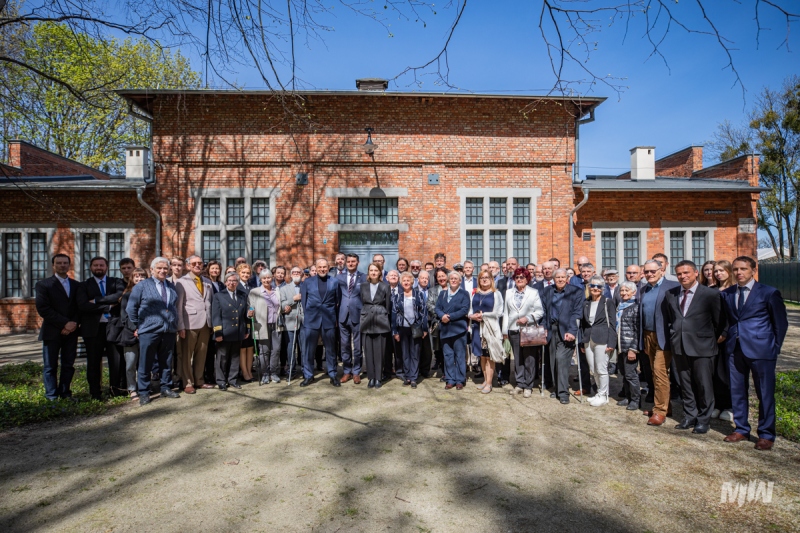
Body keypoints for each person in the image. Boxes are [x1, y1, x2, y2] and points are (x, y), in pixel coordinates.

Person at [721, 256, 788, 451]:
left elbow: (780, 323)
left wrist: (774, 347)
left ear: (753, 270)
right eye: (735, 269)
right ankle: (741, 428)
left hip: (762, 350)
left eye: (743, 269)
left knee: (764, 393)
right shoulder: (727, 294)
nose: (739, 272)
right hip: (735, 349)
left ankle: (766, 434)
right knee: (737, 391)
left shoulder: (768, 292)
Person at [664, 260, 726, 435]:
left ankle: (703, 420)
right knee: (685, 384)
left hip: (702, 347)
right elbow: (671, 319)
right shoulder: (671, 294)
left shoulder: (710, 294)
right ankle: (689, 415)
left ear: (696, 273)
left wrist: (714, 338)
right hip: (679, 345)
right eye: (679, 274)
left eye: (686, 273)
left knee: (704, 384)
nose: (682, 276)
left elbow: (720, 320)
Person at [126, 257, 181, 406]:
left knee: (166, 361)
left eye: (165, 268)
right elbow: (131, 308)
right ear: (151, 270)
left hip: (168, 330)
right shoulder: (142, 286)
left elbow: (173, 306)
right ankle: (144, 391)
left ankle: (166, 387)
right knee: (145, 362)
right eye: (159, 268)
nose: (163, 271)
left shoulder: (171, 286)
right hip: (149, 331)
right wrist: (139, 325)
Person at [76, 256, 126, 399]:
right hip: (92, 329)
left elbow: (119, 296)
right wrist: (108, 307)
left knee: (116, 361)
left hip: (114, 326)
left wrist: (97, 300)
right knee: (93, 361)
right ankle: (95, 393)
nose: (99, 268)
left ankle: (115, 390)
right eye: (96, 265)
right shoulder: (83, 285)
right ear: (91, 267)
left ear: (106, 267)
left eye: (101, 265)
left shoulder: (116, 282)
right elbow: (83, 305)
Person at [638, 259, 679, 425]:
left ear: (662, 270)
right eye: (646, 271)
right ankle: (665, 406)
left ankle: (660, 411)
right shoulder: (644, 289)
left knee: (660, 372)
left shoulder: (672, 287)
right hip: (648, 335)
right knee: (654, 373)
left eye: (653, 271)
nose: (649, 274)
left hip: (664, 336)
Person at [35, 253, 80, 401]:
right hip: (52, 331)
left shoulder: (76, 285)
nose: (62, 265)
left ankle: (65, 393)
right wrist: (64, 323)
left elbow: (79, 307)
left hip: (71, 332)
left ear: (69, 265)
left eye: (65, 263)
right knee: (50, 366)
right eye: (59, 263)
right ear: (53, 265)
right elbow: (43, 308)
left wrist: (73, 323)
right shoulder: (44, 285)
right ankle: (51, 396)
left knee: (68, 364)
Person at [541, 269, 583, 404]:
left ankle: (564, 393)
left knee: (561, 360)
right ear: (553, 279)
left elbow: (577, 313)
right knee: (553, 360)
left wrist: (572, 331)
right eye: (557, 277)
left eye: (562, 277)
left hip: (567, 331)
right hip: (551, 330)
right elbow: (543, 311)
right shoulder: (547, 291)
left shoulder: (576, 292)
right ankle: (557, 388)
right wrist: (543, 328)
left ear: (567, 278)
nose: (560, 279)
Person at [502, 267, 545, 399]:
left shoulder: (533, 292)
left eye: (522, 277)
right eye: (517, 277)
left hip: (528, 330)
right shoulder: (509, 292)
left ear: (527, 279)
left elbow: (540, 311)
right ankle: (519, 383)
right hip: (513, 329)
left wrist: (528, 318)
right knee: (517, 358)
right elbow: (506, 313)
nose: (519, 279)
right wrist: (504, 331)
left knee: (529, 359)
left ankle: (528, 385)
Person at [174, 255, 214, 394]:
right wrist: (180, 326)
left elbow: (209, 303)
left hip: (205, 323)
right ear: (188, 266)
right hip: (189, 324)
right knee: (186, 355)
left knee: (201, 354)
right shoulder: (181, 282)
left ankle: (199, 380)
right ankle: (187, 382)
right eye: (194, 263)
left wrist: (211, 323)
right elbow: (178, 306)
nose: (197, 265)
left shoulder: (207, 282)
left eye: (200, 263)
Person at [300, 258, 341, 387]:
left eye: (324, 267)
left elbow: (337, 301)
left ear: (328, 268)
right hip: (311, 320)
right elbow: (304, 301)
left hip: (329, 319)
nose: (322, 269)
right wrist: (308, 316)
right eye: (320, 267)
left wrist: (335, 318)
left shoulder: (334, 281)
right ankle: (308, 375)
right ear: (316, 268)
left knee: (331, 349)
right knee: (309, 349)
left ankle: (332, 374)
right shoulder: (308, 282)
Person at [580, 276, 617, 407]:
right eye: (593, 286)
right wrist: (582, 342)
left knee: (601, 368)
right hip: (588, 339)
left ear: (602, 288)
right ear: (589, 287)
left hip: (603, 339)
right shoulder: (586, 302)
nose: (595, 288)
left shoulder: (608, 302)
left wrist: (612, 343)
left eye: (599, 286)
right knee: (593, 369)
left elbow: (612, 324)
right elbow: (583, 324)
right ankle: (599, 392)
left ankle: (603, 395)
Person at [211, 271, 251, 390]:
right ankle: (221, 381)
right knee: (222, 358)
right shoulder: (219, 296)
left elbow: (245, 314)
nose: (232, 283)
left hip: (238, 331)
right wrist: (218, 333)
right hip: (225, 332)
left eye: (234, 281)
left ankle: (232, 379)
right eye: (229, 281)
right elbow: (216, 316)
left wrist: (247, 329)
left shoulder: (243, 295)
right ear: (225, 282)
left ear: (237, 283)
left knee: (235, 357)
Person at [469, 270, 504, 394]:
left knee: (489, 357)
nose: (484, 280)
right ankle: (485, 380)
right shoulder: (475, 293)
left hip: (489, 328)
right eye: (482, 278)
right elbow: (470, 310)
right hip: (477, 327)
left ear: (491, 279)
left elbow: (499, 312)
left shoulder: (496, 294)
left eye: (487, 277)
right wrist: (472, 316)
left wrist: (483, 315)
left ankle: (489, 383)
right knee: (482, 356)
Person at [392, 272, 428, 388]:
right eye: (404, 281)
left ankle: (413, 378)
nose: (406, 282)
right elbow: (394, 314)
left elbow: (423, 312)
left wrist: (424, 328)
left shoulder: (418, 295)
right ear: (401, 283)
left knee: (415, 353)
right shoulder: (397, 297)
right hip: (402, 328)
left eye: (408, 280)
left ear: (412, 282)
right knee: (405, 353)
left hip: (416, 328)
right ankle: (407, 376)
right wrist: (395, 331)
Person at [436, 271, 470, 390]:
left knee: (459, 355)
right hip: (445, 329)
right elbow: (437, 308)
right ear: (448, 280)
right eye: (451, 278)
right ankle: (450, 379)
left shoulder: (464, 294)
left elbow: (464, 309)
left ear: (460, 281)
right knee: (448, 355)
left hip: (458, 329)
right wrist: (442, 316)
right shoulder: (442, 294)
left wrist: (449, 317)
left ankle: (460, 380)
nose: (454, 280)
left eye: (456, 278)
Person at [361, 263, 392, 389]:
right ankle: (371, 377)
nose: (373, 272)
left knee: (379, 352)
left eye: (376, 270)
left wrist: (384, 317)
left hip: (380, 320)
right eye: (371, 270)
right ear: (368, 272)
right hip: (366, 321)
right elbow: (361, 302)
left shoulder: (385, 286)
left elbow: (388, 306)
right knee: (368, 351)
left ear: (380, 272)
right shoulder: (363, 286)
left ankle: (378, 377)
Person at [337, 253, 366, 384]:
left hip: (357, 315)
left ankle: (356, 372)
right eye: (348, 261)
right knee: (344, 346)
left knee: (358, 347)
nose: (350, 263)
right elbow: (336, 296)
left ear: (357, 263)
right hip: (343, 315)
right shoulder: (339, 277)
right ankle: (347, 371)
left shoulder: (364, 277)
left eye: (353, 261)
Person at [119, 268, 147, 400]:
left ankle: (143, 387)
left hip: (146, 333)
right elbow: (124, 316)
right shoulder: (127, 295)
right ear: (132, 279)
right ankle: (132, 388)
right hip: (131, 334)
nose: (139, 279)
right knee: (130, 363)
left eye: (142, 276)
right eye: (137, 276)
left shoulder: (150, 294)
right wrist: (135, 329)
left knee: (144, 363)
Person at [249, 269, 281, 384]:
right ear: (260, 279)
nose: (266, 280)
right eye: (264, 278)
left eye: (268, 277)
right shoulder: (255, 292)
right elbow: (251, 306)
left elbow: (280, 305)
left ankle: (273, 372)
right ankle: (265, 373)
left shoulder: (277, 290)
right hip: (262, 324)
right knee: (264, 351)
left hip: (276, 324)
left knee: (276, 350)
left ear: (272, 278)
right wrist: (250, 312)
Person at [616, 281, 641, 410]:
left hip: (629, 346)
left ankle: (636, 400)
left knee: (631, 374)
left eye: (627, 290)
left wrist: (633, 349)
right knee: (624, 374)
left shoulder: (636, 307)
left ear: (634, 292)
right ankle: (627, 396)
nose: (624, 293)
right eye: (622, 290)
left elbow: (637, 330)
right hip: (620, 345)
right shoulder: (620, 306)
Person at [280, 266, 304, 379]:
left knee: (304, 347)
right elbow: (281, 304)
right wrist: (293, 299)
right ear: (290, 275)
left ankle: (305, 370)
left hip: (304, 321)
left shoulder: (306, 286)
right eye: (294, 272)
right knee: (290, 348)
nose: (296, 274)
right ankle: (291, 371)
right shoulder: (284, 289)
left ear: (302, 274)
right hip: (290, 321)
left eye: (298, 272)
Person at [234, 263, 255, 382]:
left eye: (248, 273)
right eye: (243, 272)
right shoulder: (236, 287)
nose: (246, 275)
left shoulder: (251, 287)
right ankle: (244, 372)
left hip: (251, 320)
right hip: (241, 321)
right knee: (242, 348)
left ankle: (249, 370)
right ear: (238, 273)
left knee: (250, 347)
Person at [428, 268, 449, 380]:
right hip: (438, 322)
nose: (441, 278)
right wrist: (441, 315)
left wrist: (449, 315)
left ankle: (450, 371)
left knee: (449, 348)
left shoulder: (453, 288)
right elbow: (430, 304)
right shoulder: (432, 290)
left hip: (451, 322)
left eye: (443, 276)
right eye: (439, 276)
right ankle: (444, 371)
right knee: (439, 349)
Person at [416, 270, 434, 377]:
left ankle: (425, 370)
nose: (424, 280)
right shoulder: (413, 291)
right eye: (422, 278)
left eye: (426, 278)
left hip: (429, 322)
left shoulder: (431, 291)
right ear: (418, 279)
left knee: (427, 349)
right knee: (417, 347)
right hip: (417, 322)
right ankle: (416, 369)